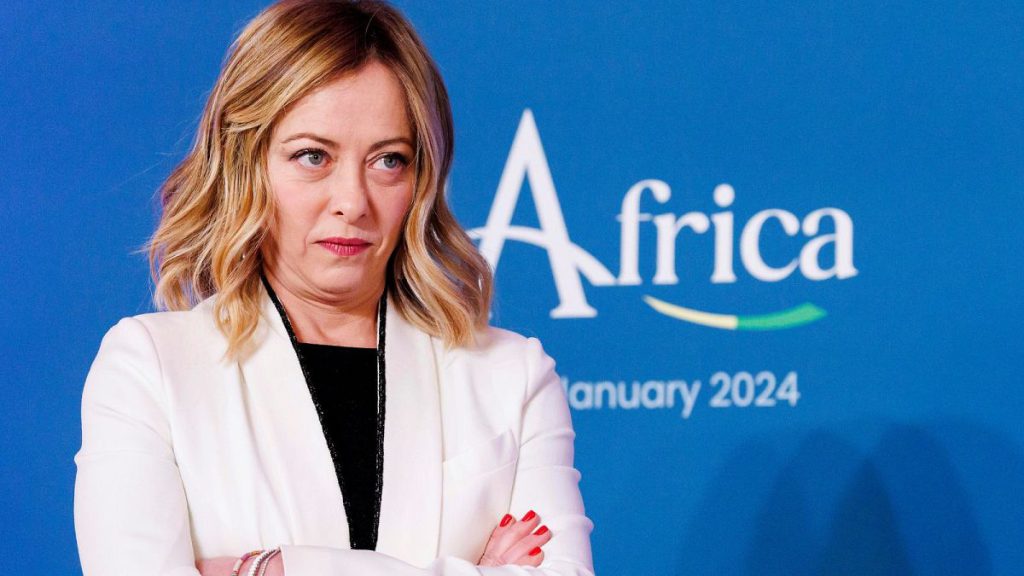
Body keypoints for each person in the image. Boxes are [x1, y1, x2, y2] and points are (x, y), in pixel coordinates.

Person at [72, 1, 595, 575]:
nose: (352, 201)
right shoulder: (150, 367)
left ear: (421, 179)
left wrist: (276, 568)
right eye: (313, 156)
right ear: (248, 164)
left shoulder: (512, 375)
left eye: (388, 161)